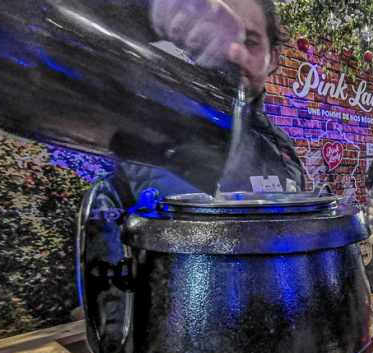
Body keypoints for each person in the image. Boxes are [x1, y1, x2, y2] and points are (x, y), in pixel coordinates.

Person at [114, 0, 305, 206]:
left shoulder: (281, 146)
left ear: (273, 58)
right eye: (217, 37)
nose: (233, 53)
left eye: (250, 41)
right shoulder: (149, 121)